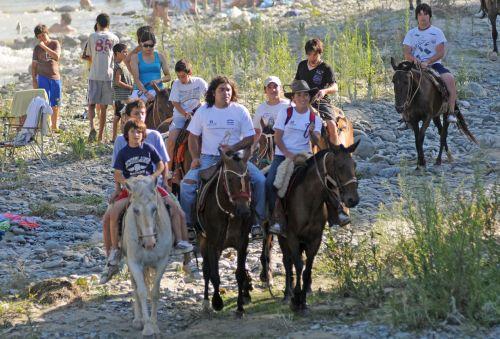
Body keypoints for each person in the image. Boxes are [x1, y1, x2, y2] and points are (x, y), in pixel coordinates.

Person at [101, 100, 193, 283]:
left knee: (178, 211)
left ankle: (184, 250)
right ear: (127, 117)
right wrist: (119, 188)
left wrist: (164, 183)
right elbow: (117, 171)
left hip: (152, 186)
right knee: (109, 216)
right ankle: (113, 255)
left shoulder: (154, 137)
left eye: (142, 113)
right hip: (132, 188)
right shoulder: (121, 141)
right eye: (136, 113)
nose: (140, 117)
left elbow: (163, 164)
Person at [180, 76, 266, 231]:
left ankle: (257, 223)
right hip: (208, 158)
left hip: (236, 159)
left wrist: (232, 148)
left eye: (228, 89)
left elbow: (250, 138)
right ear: (213, 92)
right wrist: (195, 158)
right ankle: (189, 225)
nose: (225, 92)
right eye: (221, 89)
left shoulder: (240, 110)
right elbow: (193, 136)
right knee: (186, 186)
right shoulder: (204, 111)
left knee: (260, 180)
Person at [266, 80, 323, 236]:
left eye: (306, 95)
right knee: (270, 182)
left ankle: (333, 213)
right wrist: (288, 154)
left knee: (322, 182)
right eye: (299, 95)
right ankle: (274, 218)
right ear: (294, 98)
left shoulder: (315, 118)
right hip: (282, 154)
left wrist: (312, 133)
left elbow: (316, 141)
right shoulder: (286, 113)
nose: (303, 98)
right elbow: (278, 137)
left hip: (305, 155)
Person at [401, 2, 457, 130]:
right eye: (420, 14)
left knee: (449, 79)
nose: (423, 17)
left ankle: (452, 112)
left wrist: (428, 62)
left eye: (425, 14)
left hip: (433, 65)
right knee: (401, 81)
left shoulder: (437, 32)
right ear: (417, 17)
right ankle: (405, 116)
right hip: (414, 66)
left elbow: (441, 52)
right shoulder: (411, 33)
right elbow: (406, 52)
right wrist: (415, 61)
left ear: (429, 16)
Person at [294, 38, 340, 146]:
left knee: (332, 125)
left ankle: (337, 154)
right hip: (301, 100)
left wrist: (324, 91)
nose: (312, 57)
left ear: (320, 53)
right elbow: (296, 80)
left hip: (320, 101)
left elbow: (335, 86)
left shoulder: (326, 68)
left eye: (315, 54)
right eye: (309, 54)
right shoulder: (302, 65)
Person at [167, 59, 208, 169]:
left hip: (197, 114)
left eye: (183, 76)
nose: (181, 79)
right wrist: (185, 113)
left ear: (189, 73)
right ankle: (168, 171)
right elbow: (174, 102)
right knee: (172, 141)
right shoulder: (176, 84)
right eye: (179, 76)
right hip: (180, 116)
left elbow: (209, 96)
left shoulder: (199, 82)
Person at [86, 13, 120, 143]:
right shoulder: (115, 38)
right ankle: (100, 136)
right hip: (108, 75)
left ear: (98, 23)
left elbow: (89, 55)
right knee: (104, 106)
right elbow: (116, 58)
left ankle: (92, 127)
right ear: (109, 24)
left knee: (91, 103)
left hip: (94, 74)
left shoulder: (92, 36)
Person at [31, 24, 62, 131]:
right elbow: (34, 65)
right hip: (42, 77)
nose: (41, 38)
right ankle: (44, 126)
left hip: (55, 78)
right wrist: (34, 80)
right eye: (39, 37)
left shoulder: (55, 43)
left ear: (47, 33)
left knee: (56, 103)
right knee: (43, 103)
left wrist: (44, 46)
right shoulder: (36, 49)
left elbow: (56, 57)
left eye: (43, 35)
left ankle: (54, 126)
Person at [129, 30, 171, 102]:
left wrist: (159, 80)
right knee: (130, 111)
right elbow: (136, 79)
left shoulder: (160, 56)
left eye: (151, 45)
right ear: (141, 44)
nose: (148, 48)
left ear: (154, 44)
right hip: (141, 91)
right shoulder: (135, 57)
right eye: (146, 45)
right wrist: (146, 93)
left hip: (158, 91)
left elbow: (168, 76)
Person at [253, 76, 290, 143]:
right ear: (265, 90)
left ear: (280, 88)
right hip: (267, 144)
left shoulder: (289, 105)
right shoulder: (261, 108)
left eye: (275, 87)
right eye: (269, 87)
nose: (273, 90)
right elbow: (256, 129)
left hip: (286, 143)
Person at [111, 43, 133, 142]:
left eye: (126, 51)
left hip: (121, 96)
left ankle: (115, 137)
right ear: (117, 53)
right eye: (124, 52)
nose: (126, 53)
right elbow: (117, 82)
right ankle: (122, 137)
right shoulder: (118, 66)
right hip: (122, 96)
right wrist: (130, 87)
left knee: (117, 116)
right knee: (123, 116)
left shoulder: (121, 64)